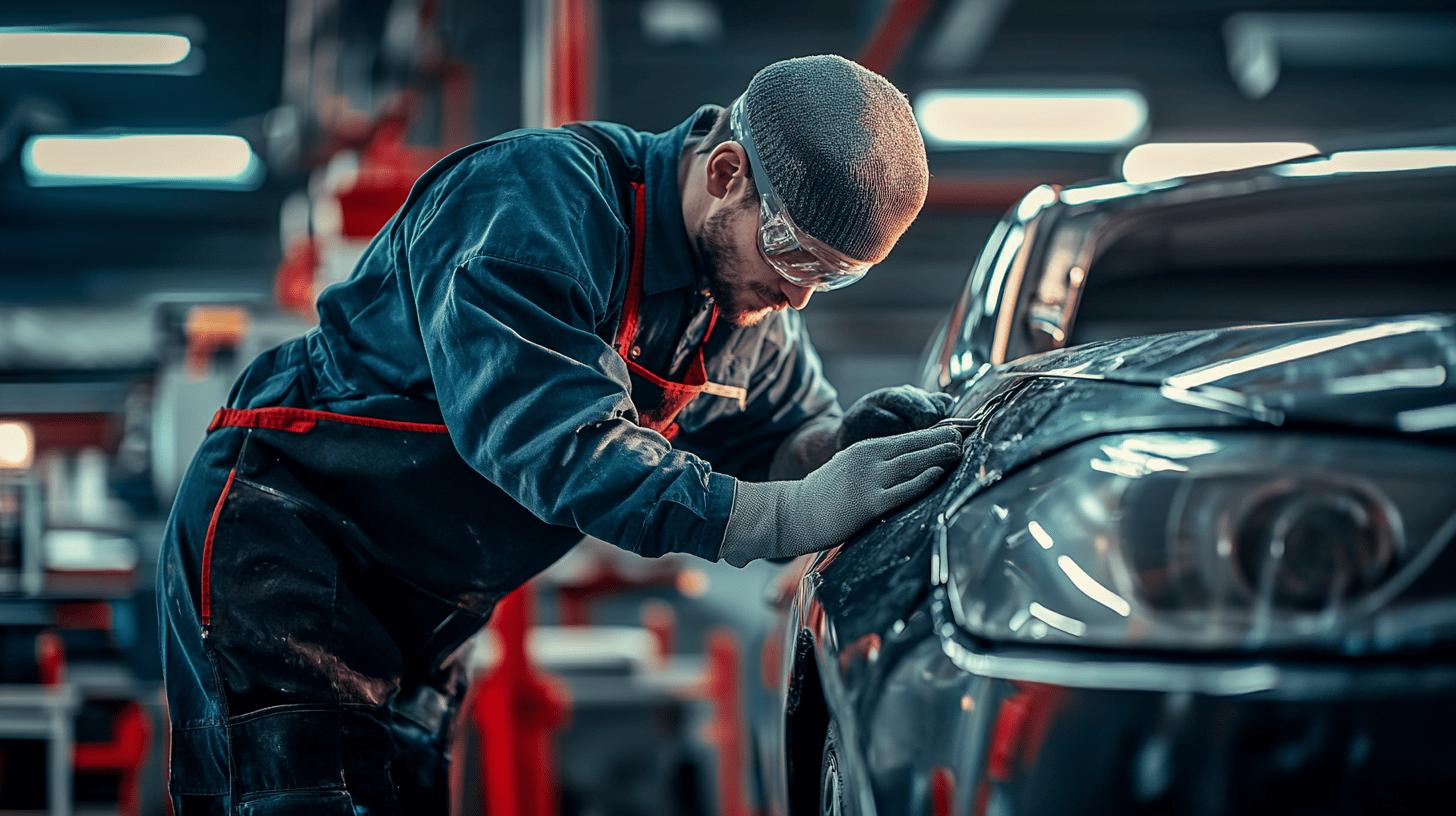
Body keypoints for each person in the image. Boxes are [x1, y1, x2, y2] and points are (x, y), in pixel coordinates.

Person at [158, 54, 962, 814]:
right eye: (791, 253)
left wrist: (845, 448)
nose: (797, 296)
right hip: (286, 548)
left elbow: (784, 435)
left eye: (831, 275)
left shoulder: (745, 306)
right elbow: (554, 441)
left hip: (423, 610)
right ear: (726, 174)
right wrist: (784, 517)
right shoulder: (535, 203)